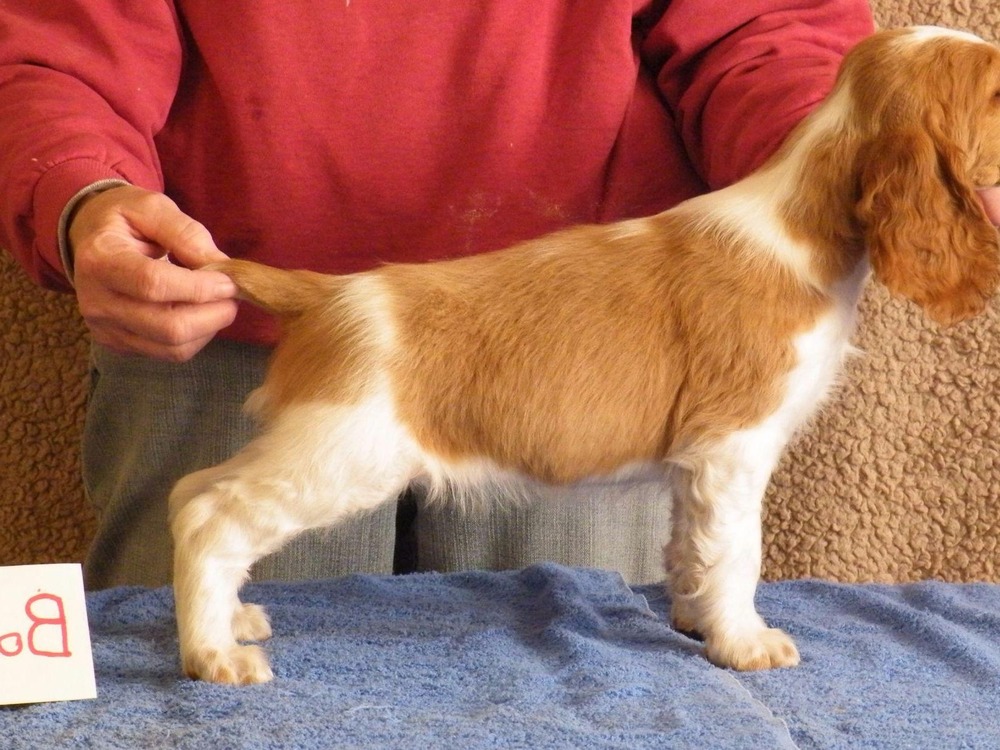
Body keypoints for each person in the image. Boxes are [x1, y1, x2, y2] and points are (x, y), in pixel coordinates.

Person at [0, 0, 939, 590]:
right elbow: (54, 38)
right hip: (219, 308)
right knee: (192, 695)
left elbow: (763, 23)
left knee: (582, 703)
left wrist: (853, 162)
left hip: (599, 339)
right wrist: (79, 190)